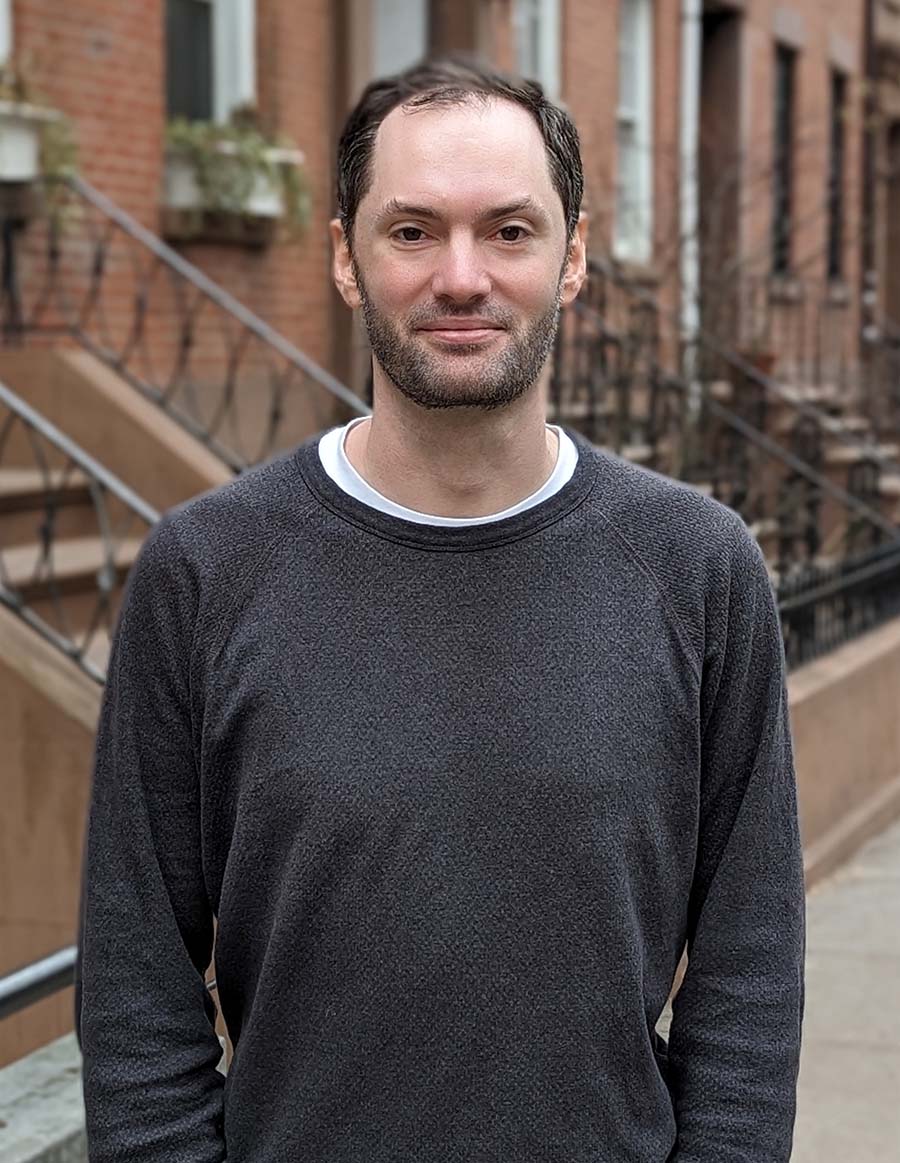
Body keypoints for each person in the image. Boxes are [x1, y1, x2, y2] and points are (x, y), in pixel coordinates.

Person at [76, 58, 805, 1161]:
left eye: (509, 230)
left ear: (573, 258)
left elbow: (750, 970)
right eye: (412, 231)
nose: (461, 276)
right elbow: (135, 979)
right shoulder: (206, 568)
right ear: (344, 256)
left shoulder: (698, 568)